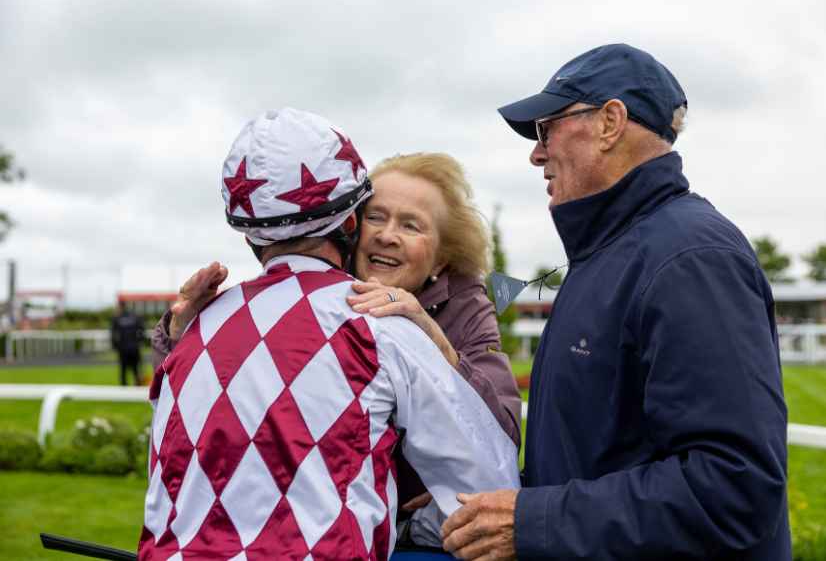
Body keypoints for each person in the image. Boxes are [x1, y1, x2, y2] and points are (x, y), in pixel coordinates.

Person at [442, 43, 791, 560]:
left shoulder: (690, 258)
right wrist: (489, 502)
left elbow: (734, 488)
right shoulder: (611, 256)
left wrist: (532, 520)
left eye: (546, 129)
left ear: (610, 122)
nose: (536, 153)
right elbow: (595, 456)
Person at [138, 108, 519, 560]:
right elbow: (490, 483)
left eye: (411, 225)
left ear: (249, 239)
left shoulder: (201, 329)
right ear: (352, 224)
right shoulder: (382, 326)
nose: (388, 237)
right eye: (377, 218)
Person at [110, 300, 145, 386]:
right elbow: (142, 330)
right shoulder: (134, 316)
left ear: (120, 306)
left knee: (123, 370)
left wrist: (115, 346)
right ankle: (138, 386)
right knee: (136, 369)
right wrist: (138, 341)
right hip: (134, 348)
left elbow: (113, 333)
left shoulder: (117, 318)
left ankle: (124, 388)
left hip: (123, 349)